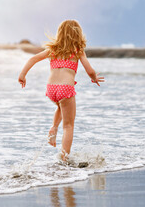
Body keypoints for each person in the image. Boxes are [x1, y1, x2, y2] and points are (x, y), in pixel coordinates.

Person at [18, 19, 104, 161]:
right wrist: (94, 78)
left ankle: (53, 128)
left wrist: (22, 75)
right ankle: (64, 159)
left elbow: (33, 59)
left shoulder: (52, 49)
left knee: (60, 106)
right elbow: (89, 70)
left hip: (51, 89)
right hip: (66, 88)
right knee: (69, 126)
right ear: (77, 34)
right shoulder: (77, 51)